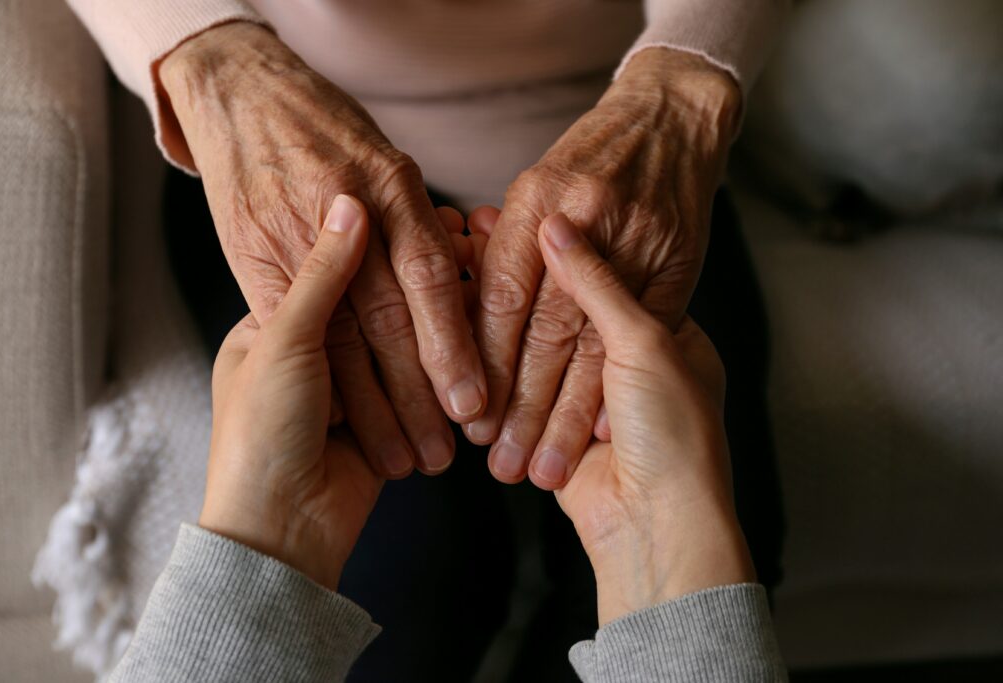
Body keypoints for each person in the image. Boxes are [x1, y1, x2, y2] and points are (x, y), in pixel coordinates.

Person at [67, 1, 787, 678]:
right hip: (287, 144)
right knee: (412, 573)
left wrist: (685, 88)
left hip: (629, 146)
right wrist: (216, 61)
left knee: (728, 525)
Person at [109, 195, 786, 682]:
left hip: (616, 194)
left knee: (744, 523)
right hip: (312, 182)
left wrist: (657, 531)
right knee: (424, 574)